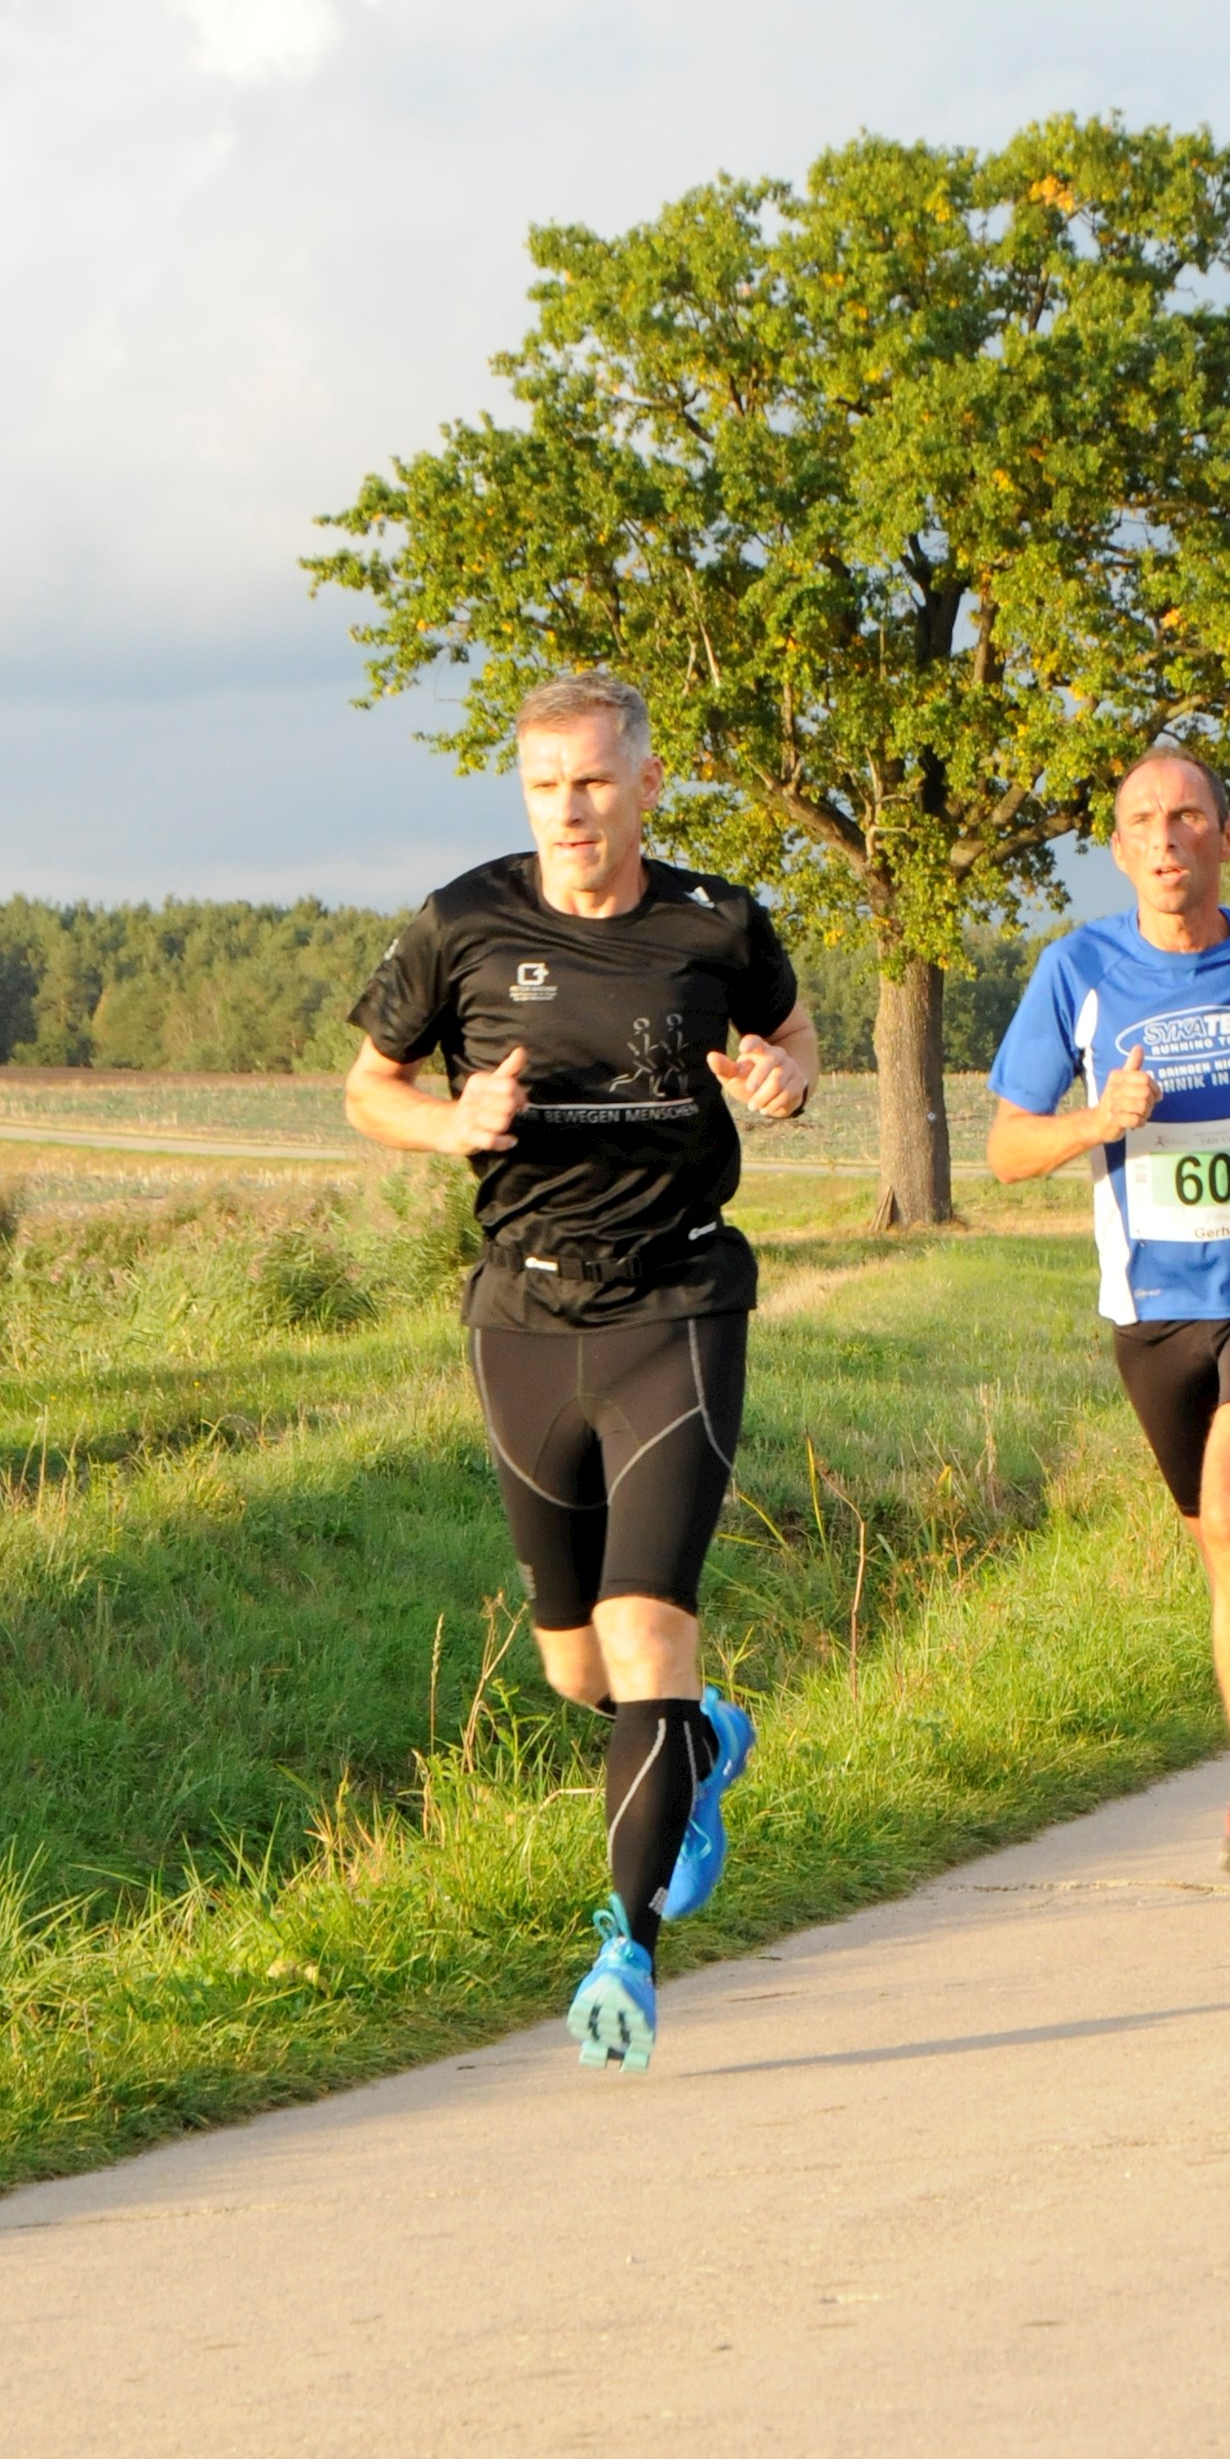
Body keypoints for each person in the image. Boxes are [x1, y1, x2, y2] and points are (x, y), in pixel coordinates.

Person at [343, 671, 821, 2074]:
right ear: (525, 795)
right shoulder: (465, 923)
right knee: (573, 1669)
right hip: (522, 1316)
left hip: (678, 1298)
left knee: (645, 1629)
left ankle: (626, 1950)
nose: (573, 812)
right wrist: (449, 1124)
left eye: (598, 784)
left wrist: (785, 1082)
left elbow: (791, 1041)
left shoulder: (716, 921)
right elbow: (367, 1083)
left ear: (647, 785)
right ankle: (702, 1742)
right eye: (549, 787)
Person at [986, 748, 1230, 1889]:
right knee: (1224, 1544)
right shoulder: (1078, 972)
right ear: (1117, 851)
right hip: (1152, 1308)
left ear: (1224, 837)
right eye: (1141, 824)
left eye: (1186, 818)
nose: (1164, 839)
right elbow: (1007, 1149)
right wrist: (1091, 1123)